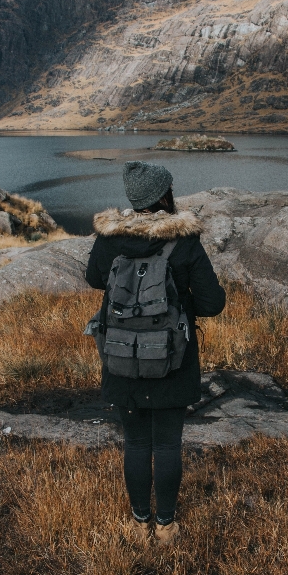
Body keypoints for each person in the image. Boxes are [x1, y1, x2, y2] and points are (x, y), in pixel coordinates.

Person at [86, 161, 225, 546]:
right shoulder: (184, 241)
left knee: (135, 443)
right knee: (166, 443)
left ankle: (138, 524)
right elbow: (213, 303)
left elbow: (95, 278)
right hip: (172, 359)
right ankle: (165, 527)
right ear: (163, 196)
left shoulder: (109, 238)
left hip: (121, 356)